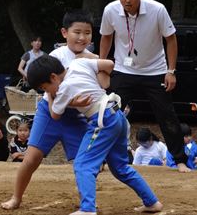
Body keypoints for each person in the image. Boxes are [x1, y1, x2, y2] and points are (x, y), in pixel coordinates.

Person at [28, 53, 163, 215]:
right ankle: (152, 202)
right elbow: (109, 64)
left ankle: (87, 209)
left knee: (82, 164)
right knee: (120, 167)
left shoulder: (63, 89)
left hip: (102, 121)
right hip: (117, 116)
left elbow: (54, 114)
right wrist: (101, 81)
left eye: (44, 87)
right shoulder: (79, 63)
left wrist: (50, 96)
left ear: (53, 77)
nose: (46, 91)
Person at [1, 9, 96, 210]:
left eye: (87, 33)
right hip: (49, 111)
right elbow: (50, 93)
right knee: (32, 157)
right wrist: (67, 104)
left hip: (75, 116)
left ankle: (87, 205)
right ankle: (16, 197)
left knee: (86, 162)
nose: (82, 37)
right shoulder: (57, 55)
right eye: (77, 32)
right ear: (64, 33)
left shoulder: (93, 57)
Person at [99, 0, 190, 172]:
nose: (127, 0)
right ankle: (100, 159)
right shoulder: (110, 10)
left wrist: (170, 71)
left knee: (167, 115)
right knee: (108, 113)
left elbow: (171, 39)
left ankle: (180, 160)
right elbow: (106, 37)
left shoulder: (157, 9)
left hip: (154, 70)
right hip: (123, 69)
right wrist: (100, 65)